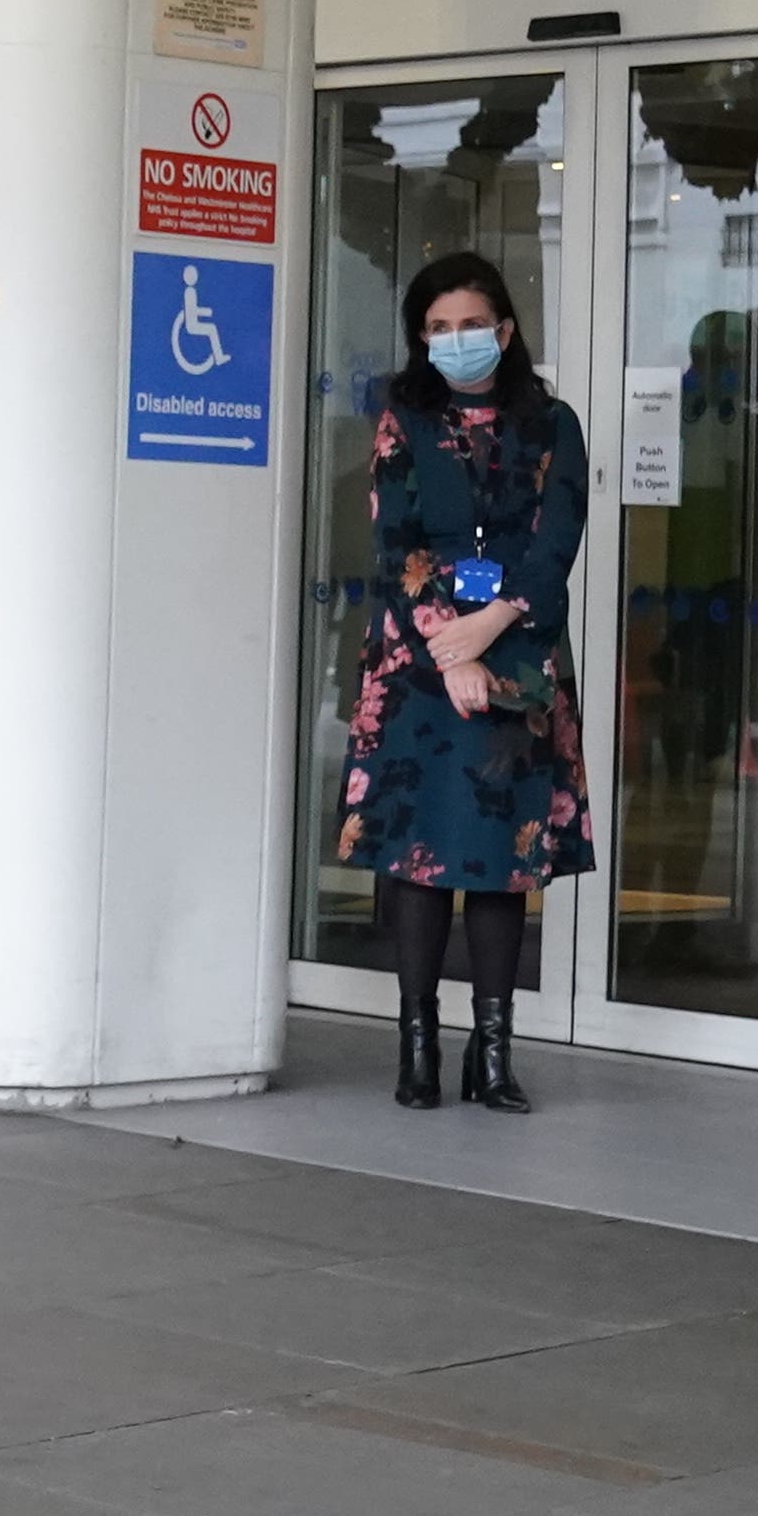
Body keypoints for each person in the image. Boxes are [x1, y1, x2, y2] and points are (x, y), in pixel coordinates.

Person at [331, 249, 594, 1110]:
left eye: (470, 325)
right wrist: (452, 646)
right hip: (418, 666)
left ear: (506, 331)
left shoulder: (553, 424)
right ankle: (417, 1049)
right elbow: (392, 542)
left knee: (497, 861)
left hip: (518, 656)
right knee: (418, 858)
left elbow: (555, 542)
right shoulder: (401, 422)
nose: (455, 341)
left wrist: (493, 630)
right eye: (438, 329)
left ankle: (493, 1055)